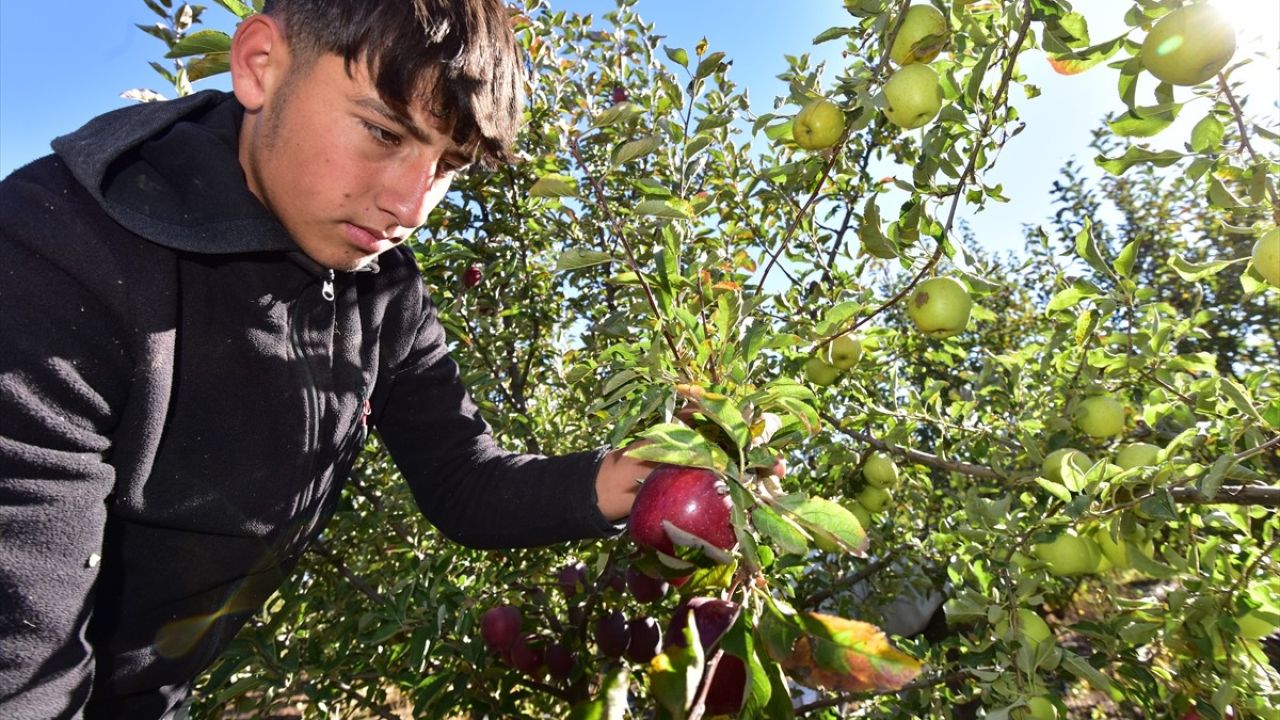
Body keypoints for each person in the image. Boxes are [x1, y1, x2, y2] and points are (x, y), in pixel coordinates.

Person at [0, 1, 655, 716]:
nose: (412, 206)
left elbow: (464, 481)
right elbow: (21, 665)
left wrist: (628, 480)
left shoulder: (381, 288)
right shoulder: (52, 259)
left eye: (447, 166)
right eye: (382, 131)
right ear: (260, 66)